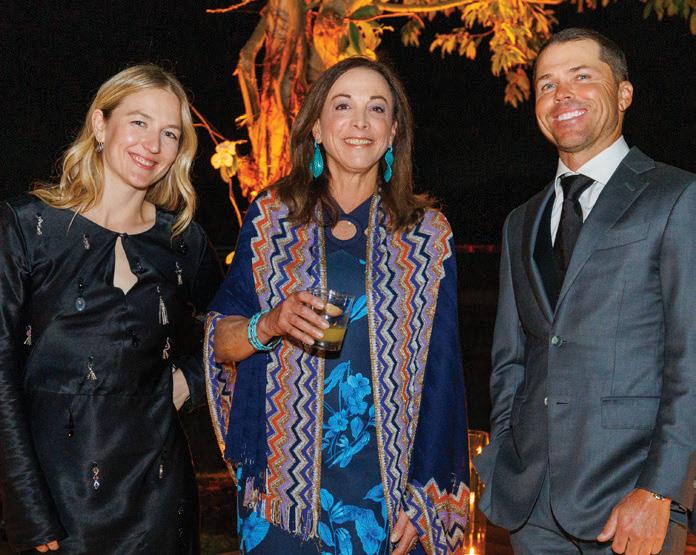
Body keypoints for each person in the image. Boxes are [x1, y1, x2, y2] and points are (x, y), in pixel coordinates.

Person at [205, 57, 469, 555]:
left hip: (387, 492)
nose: (360, 122)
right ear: (317, 128)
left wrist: (426, 497)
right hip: (282, 492)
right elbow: (220, 340)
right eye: (343, 106)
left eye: (377, 108)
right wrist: (271, 323)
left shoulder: (427, 235)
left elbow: (444, 375)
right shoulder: (271, 219)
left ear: (393, 133)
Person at [474, 27, 696, 554]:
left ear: (623, 94)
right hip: (530, 507)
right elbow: (511, 358)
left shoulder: (676, 196)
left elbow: (690, 356)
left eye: (582, 77)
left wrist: (660, 490)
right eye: (547, 84)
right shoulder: (520, 221)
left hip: (631, 501)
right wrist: (503, 456)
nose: (562, 95)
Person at [0, 64, 221, 553]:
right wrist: (27, 511)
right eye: (139, 122)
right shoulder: (28, 228)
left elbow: (235, 327)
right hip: (59, 501)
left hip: (161, 499)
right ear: (100, 125)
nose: (153, 145)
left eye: (170, 133)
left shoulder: (183, 242)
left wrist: (192, 380)